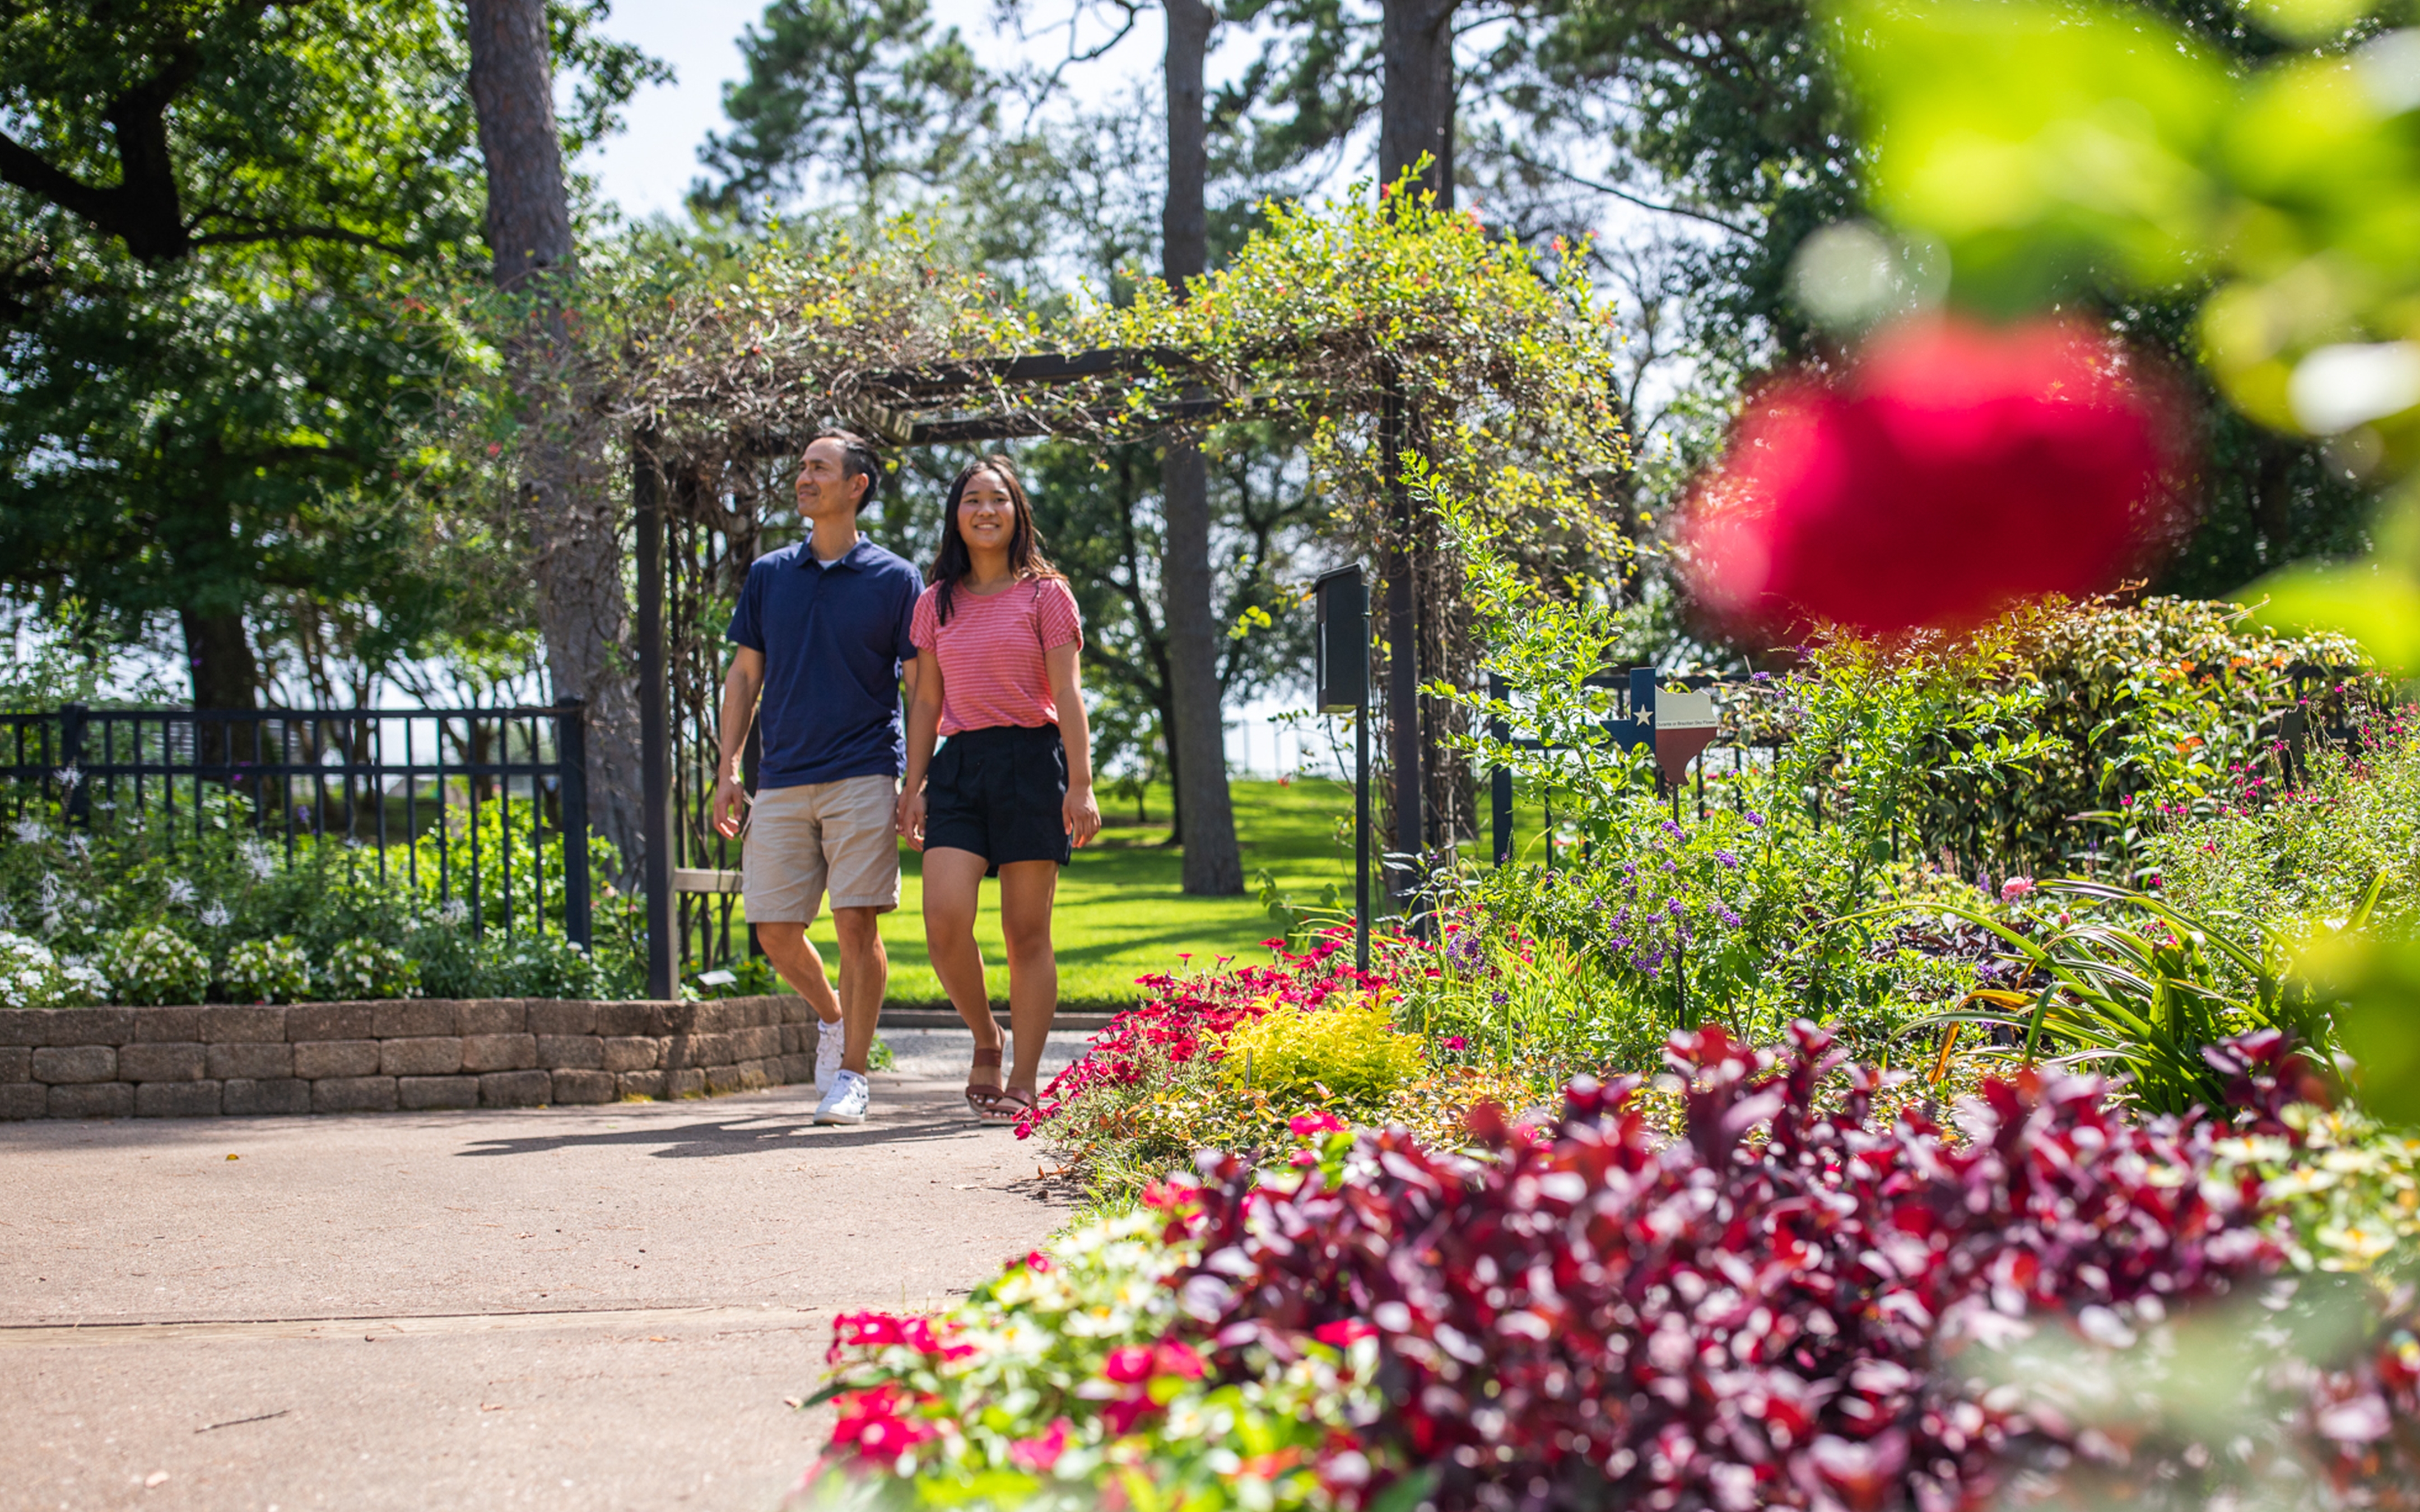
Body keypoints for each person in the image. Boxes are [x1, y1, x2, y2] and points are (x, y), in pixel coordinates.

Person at [713, 431, 920, 1126]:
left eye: (818, 468)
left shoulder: (896, 579)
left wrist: (915, 780)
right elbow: (745, 675)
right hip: (781, 776)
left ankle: (854, 1076)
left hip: (863, 770)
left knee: (857, 921)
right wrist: (728, 768)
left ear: (856, 485)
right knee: (773, 927)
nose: (803, 478)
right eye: (801, 467)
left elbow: (921, 689)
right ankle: (835, 1019)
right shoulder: (771, 574)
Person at [897, 455, 1101, 1122]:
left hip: (1031, 761)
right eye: (971, 500)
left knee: (1025, 931)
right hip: (960, 765)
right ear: (956, 516)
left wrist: (1082, 785)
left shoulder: (1046, 595)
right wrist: (916, 782)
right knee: (944, 919)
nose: (985, 510)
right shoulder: (936, 601)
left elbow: (1068, 694)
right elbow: (926, 701)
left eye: (998, 499)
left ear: (1017, 513)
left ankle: (1024, 1076)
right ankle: (987, 1035)